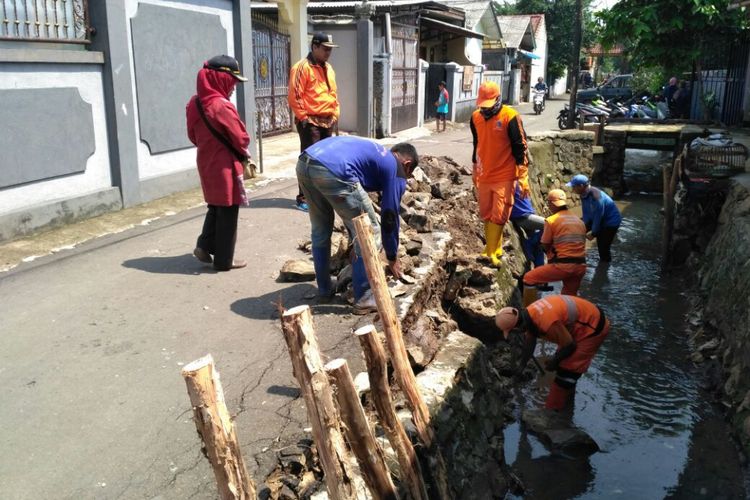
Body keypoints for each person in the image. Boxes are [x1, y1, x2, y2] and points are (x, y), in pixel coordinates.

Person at [296, 136, 419, 314]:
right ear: (407, 164)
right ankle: (364, 298)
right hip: (334, 169)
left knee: (321, 229)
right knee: (371, 232)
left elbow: (351, 210)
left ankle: (324, 289)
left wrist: (354, 236)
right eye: (408, 175)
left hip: (305, 163)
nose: (405, 179)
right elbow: (390, 215)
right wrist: (391, 256)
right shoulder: (397, 168)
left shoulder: (378, 155)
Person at [186, 55, 250, 271]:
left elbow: (192, 136)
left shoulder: (194, 103)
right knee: (229, 210)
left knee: (215, 205)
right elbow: (241, 138)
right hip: (225, 166)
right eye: (232, 81)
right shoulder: (222, 106)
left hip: (205, 161)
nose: (233, 87)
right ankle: (224, 260)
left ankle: (204, 245)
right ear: (220, 78)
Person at [495, 295, 611, 410]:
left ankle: (551, 417)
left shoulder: (547, 322)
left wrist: (554, 362)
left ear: (517, 327)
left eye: (513, 332)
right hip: (577, 325)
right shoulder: (529, 315)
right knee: (565, 368)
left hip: (593, 327)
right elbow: (530, 343)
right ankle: (566, 408)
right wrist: (522, 366)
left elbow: (570, 346)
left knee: (567, 372)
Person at [470, 80, 530, 267]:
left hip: (505, 173)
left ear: (498, 99)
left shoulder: (510, 116)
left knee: (500, 212)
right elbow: (477, 144)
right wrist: (474, 167)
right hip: (484, 173)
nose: (485, 109)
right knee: (487, 213)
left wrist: (523, 175)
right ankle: (493, 247)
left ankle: (491, 251)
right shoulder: (475, 117)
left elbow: (520, 146)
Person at [288, 32, 340, 212]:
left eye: (330, 49)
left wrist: (335, 113)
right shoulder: (302, 67)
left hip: (327, 121)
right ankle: (304, 197)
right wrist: (304, 118)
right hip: (310, 122)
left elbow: (333, 94)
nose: (328, 52)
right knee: (310, 161)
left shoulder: (329, 69)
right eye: (325, 49)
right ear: (314, 46)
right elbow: (295, 96)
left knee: (325, 162)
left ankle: (320, 196)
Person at [522, 189, 587, 302]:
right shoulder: (579, 221)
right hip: (580, 267)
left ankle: (528, 314)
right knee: (569, 298)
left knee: (529, 278)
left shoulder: (552, 220)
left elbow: (545, 245)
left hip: (563, 266)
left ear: (551, 203)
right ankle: (567, 318)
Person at [567, 174, 622, 263]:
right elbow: (586, 213)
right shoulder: (583, 194)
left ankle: (604, 268)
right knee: (576, 230)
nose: (572, 189)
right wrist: (582, 226)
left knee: (603, 247)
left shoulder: (596, 197)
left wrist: (594, 233)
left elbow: (598, 217)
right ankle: (576, 256)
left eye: (574, 187)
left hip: (610, 223)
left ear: (581, 186)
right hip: (597, 218)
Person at [509, 182, 545, 269]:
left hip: (527, 215)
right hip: (522, 217)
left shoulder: (520, 180)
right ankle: (529, 242)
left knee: (538, 245)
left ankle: (540, 271)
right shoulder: (510, 181)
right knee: (552, 224)